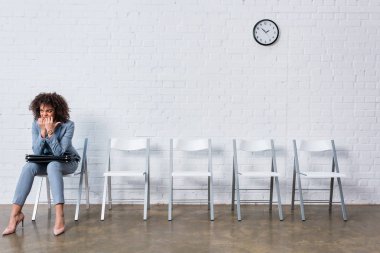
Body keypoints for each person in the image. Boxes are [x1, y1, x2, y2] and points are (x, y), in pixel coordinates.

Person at [2, 92, 80, 236]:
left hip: (67, 161)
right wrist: (42, 132)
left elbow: (58, 154)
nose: (44, 114)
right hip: (45, 161)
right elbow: (37, 152)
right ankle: (15, 216)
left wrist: (51, 132)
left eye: (49, 110)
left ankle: (59, 216)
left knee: (53, 165)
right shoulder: (36, 124)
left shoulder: (68, 125)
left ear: (57, 110)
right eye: (42, 110)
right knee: (28, 167)